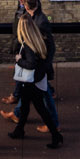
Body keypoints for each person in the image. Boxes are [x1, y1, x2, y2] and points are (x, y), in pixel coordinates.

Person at [8, 9, 64, 148]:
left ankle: (56, 135)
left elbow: (31, 64)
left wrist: (19, 60)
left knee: (40, 109)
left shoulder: (27, 44)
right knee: (26, 106)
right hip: (38, 79)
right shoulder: (38, 39)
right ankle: (19, 130)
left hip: (30, 81)